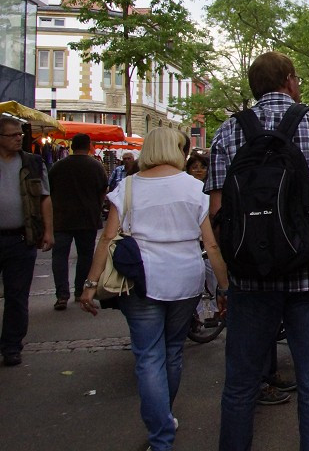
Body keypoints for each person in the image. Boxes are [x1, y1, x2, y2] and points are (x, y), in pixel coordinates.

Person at [206, 51, 309, 451]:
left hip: (249, 277)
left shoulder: (228, 132)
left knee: (241, 385)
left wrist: (227, 277)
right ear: (291, 81)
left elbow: (217, 212)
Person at [79, 127, 229, 451]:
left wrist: (90, 284)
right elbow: (211, 245)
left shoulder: (128, 186)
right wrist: (225, 286)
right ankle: (165, 416)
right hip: (185, 278)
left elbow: (107, 238)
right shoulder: (194, 188)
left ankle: (161, 434)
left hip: (141, 278)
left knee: (148, 356)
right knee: (172, 351)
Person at [0, 116, 53, 367]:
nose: (19, 138)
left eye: (20, 134)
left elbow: (44, 198)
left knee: (17, 296)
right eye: (13, 135)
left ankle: (11, 346)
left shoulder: (32, 162)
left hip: (21, 237)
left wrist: (48, 231)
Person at [48, 133, 107, 310]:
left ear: (72, 146)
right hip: (87, 218)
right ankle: (80, 290)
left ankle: (61, 295)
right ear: (88, 146)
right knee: (85, 256)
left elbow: (48, 191)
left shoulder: (58, 166)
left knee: (59, 256)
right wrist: (97, 207)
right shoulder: (95, 166)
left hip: (61, 218)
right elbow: (103, 191)